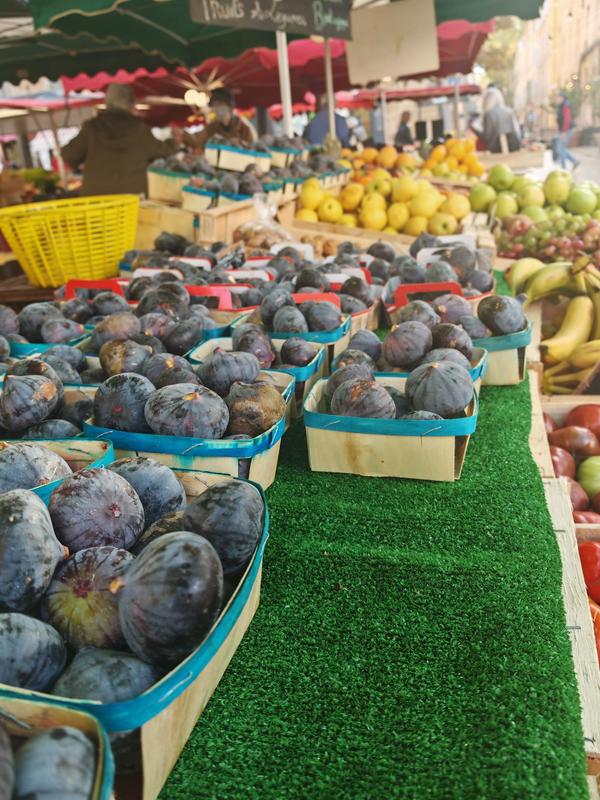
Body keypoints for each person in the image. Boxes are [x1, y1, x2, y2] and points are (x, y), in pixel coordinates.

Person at [61, 83, 179, 195]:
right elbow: (166, 152)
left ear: (107, 101)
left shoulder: (91, 128)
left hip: (98, 200)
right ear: (131, 104)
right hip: (132, 200)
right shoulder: (140, 130)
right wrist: (174, 140)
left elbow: (68, 154)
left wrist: (79, 167)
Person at [187, 88, 256, 150]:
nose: (216, 109)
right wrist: (184, 135)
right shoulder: (211, 128)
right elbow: (197, 141)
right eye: (214, 105)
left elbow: (252, 151)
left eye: (219, 104)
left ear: (230, 107)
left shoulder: (245, 129)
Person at [480, 87, 521, 154]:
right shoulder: (509, 111)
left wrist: (477, 131)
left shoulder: (488, 114)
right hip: (513, 147)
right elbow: (517, 132)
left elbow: (487, 136)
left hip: (496, 150)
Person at [556, 90, 579, 170]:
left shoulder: (566, 105)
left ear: (562, 98)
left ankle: (563, 168)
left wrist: (564, 132)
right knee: (561, 148)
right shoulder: (562, 106)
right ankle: (574, 161)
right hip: (564, 130)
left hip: (566, 130)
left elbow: (567, 119)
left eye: (558, 98)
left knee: (560, 148)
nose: (557, 99)